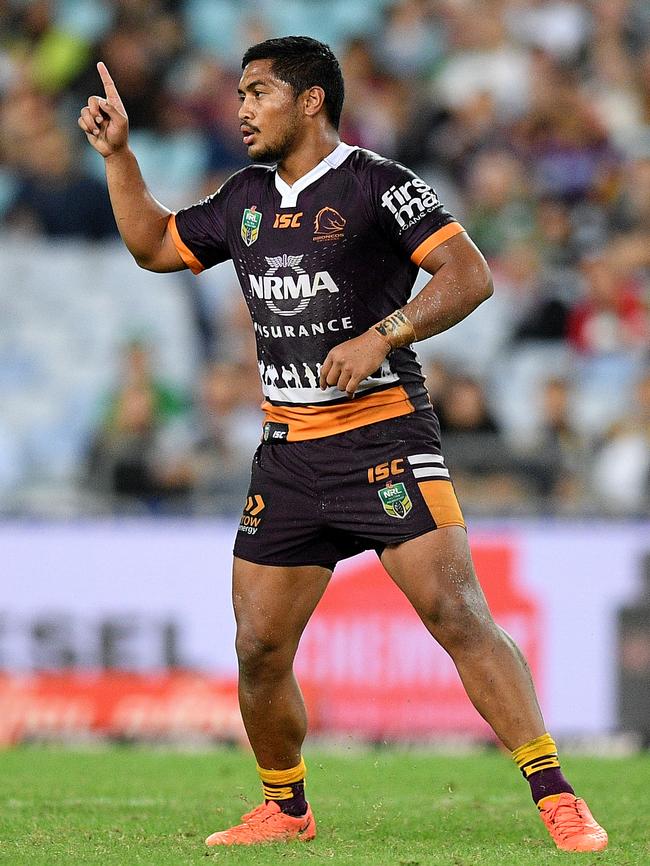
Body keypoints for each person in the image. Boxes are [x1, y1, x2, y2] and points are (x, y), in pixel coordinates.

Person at [78, 36, 607, 853]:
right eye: (240, 93)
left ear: (312, 99)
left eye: (259, 92)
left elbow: (468, 275)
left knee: (456, 612)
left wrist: (381, 333)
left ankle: (557, 795)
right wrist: (119, 157)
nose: (242, 108)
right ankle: (286, 810)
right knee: (258, 646)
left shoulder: (378, 185)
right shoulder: (245, 195)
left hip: (383, 436)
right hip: (289, 451)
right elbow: (154, 246)